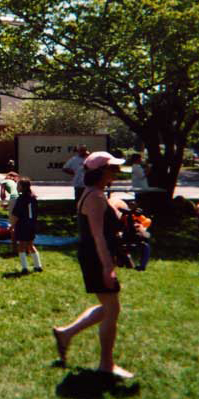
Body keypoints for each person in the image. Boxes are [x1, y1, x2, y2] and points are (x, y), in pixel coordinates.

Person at [52, 151, 134, 379]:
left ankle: (66, 334)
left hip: (94, 255)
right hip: (96, 256)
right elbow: (98, 235)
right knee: (112, 309)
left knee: (109, 307)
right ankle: (106, 365)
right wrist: (108, 267)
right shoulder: (96, 197)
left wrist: (119, 207)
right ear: (100, 172)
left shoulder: (96, 193)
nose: (116, 173)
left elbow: (108, 214)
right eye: (112, 169)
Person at [11, 177, 42, 273]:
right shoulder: (33, 198)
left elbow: (16, 214)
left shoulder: (21, 199)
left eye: (18, 185)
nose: (17, 187)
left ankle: (24, 267)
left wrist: (12, 225)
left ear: (22, 187)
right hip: (31, 224)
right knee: (30, 245)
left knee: (21, 246)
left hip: (22, 224)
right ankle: (38, 265)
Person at [0, 171, 20, 254]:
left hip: (14, 199)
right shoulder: (17, 183)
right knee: (20, 222)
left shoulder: (4, 181)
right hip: (22, 199)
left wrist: (4, 202)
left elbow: (2, 195)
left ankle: (14, 248)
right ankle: (25, 246)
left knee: (13, 225)